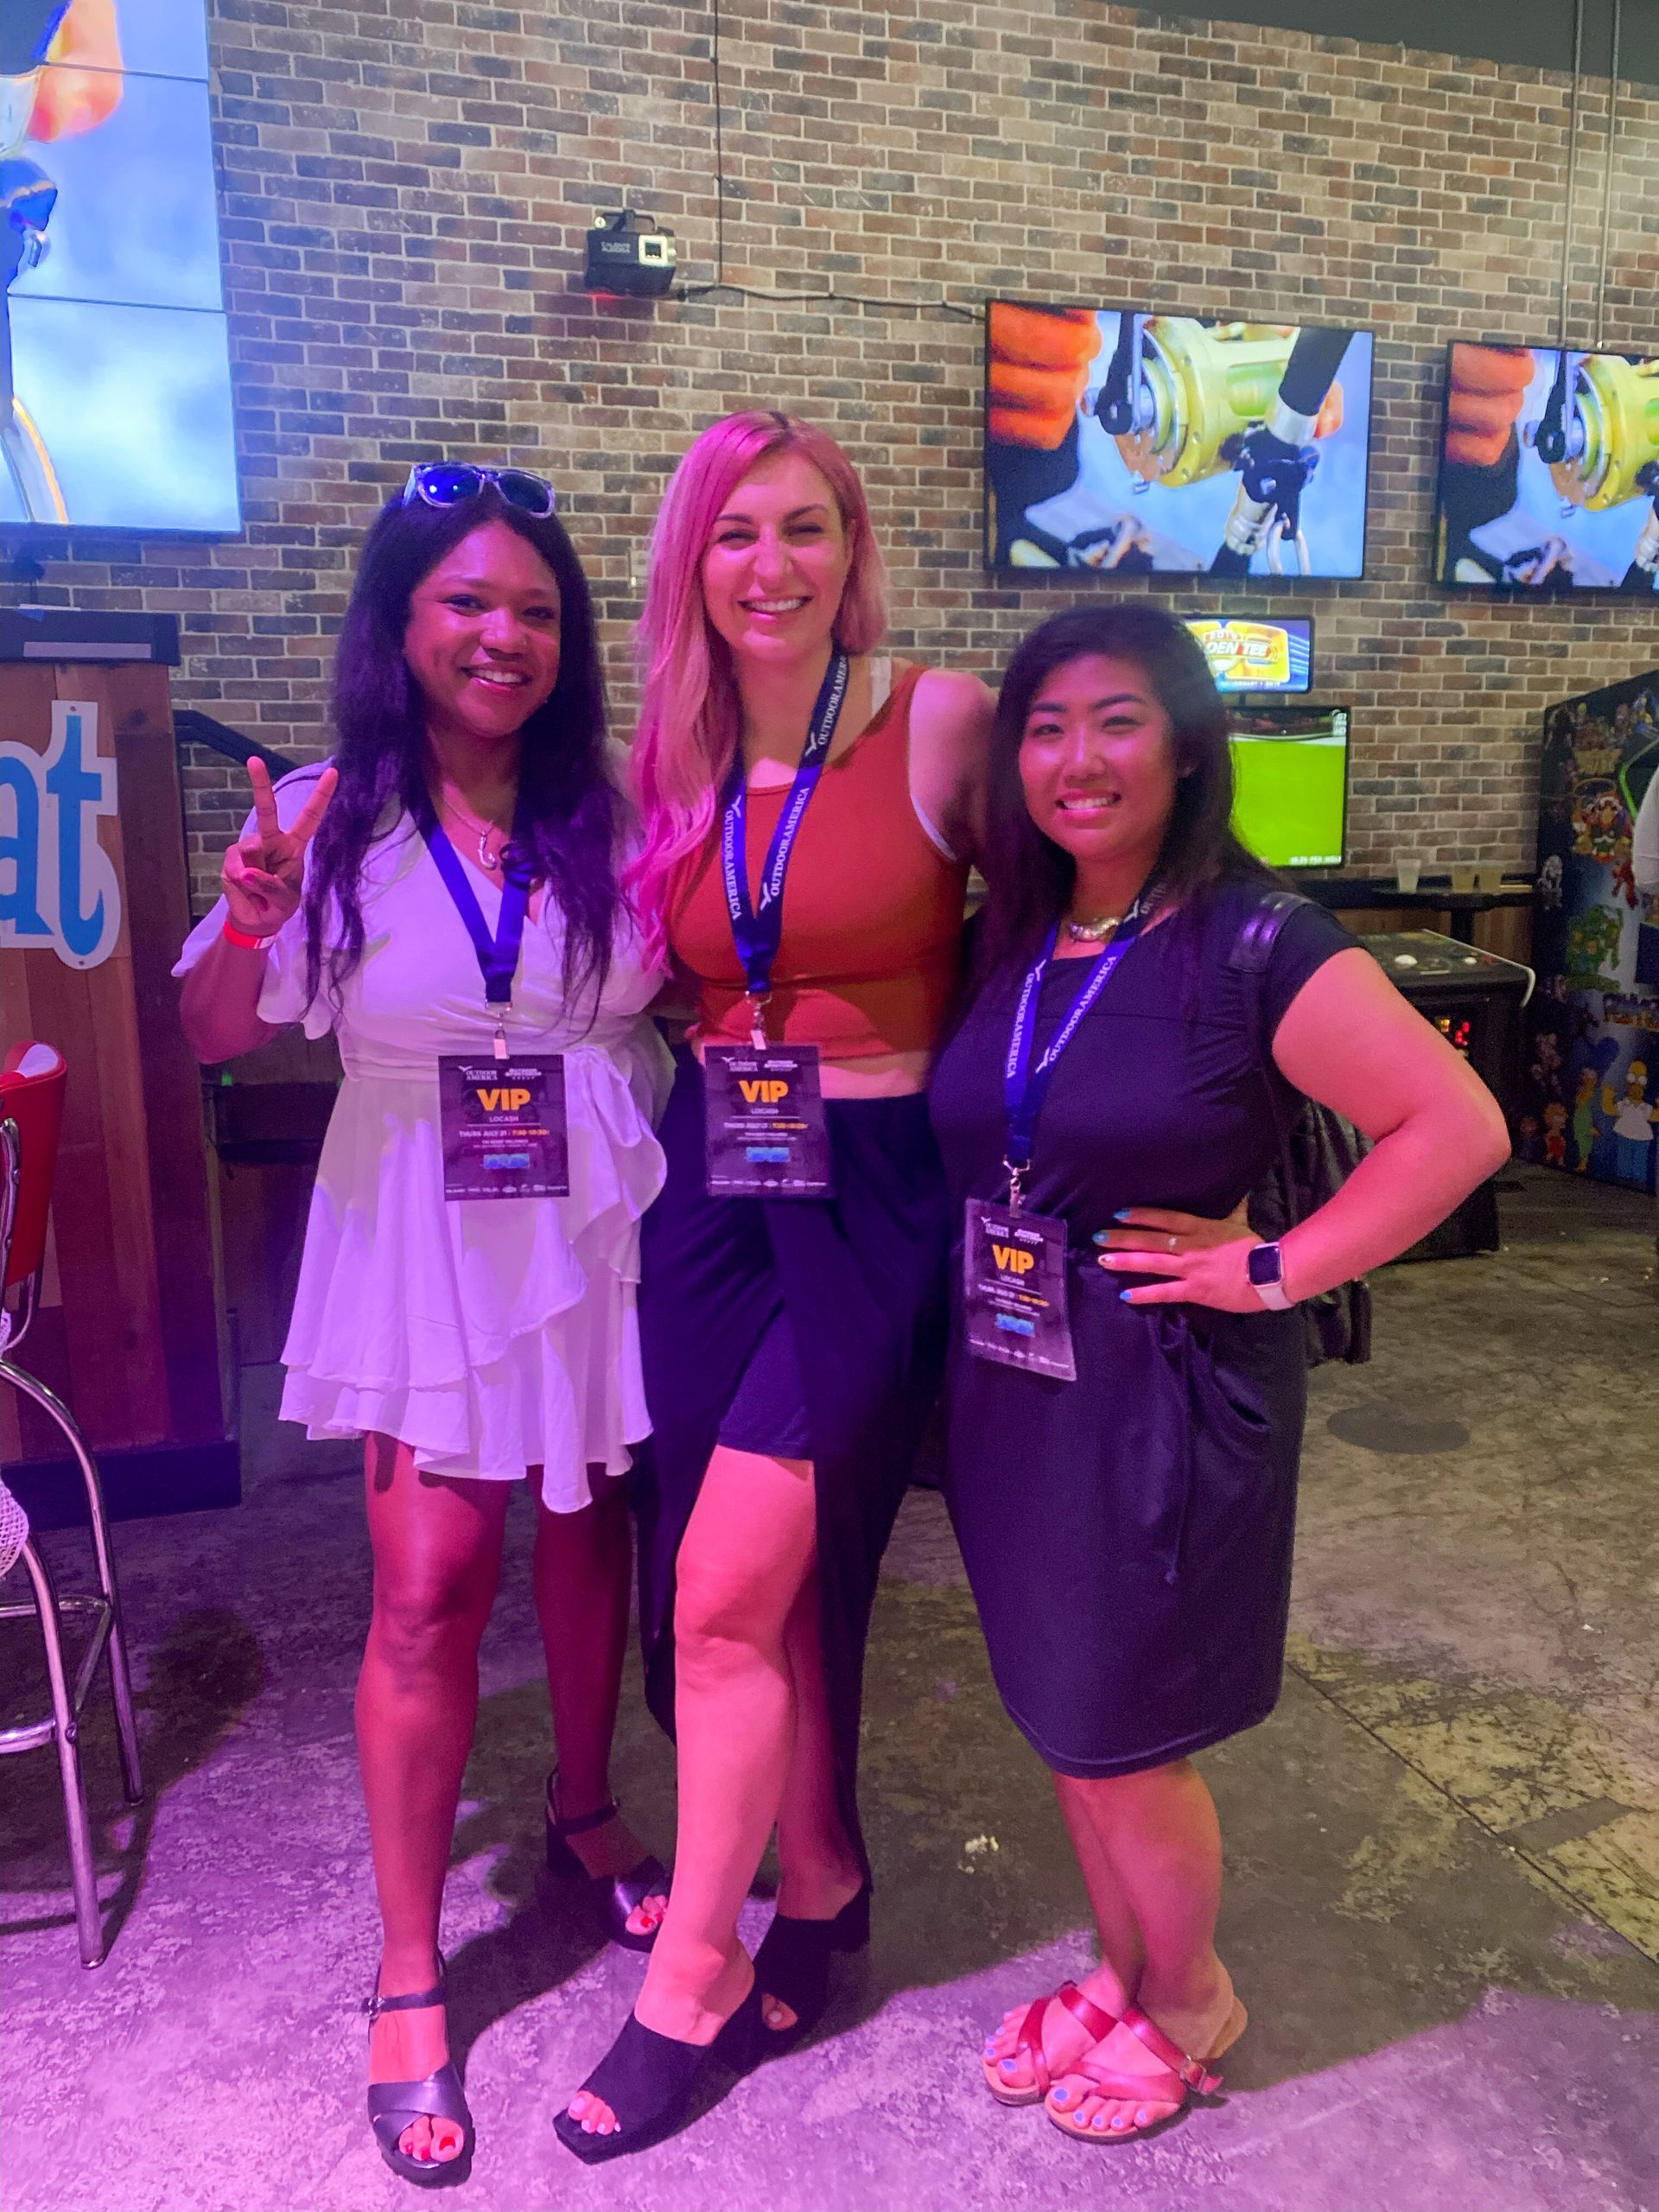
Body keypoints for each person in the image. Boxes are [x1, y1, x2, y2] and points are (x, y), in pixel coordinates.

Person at [927, 604, 1510, 2146]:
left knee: (1127, 1737)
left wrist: (1271, 1265)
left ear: (1187, 746)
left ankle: (1191, 1998)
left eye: (1115, 719)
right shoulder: (1021, 934)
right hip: (1018, 1379)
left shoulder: (1257, 940)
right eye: (1045, 727)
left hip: (1167, 1392)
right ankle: (1121, 1974)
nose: (1076, 758)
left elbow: (1458, 1131)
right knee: (1070, 1719)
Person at [176, 465, 673, 2184]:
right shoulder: (326, 810)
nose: (504, 634)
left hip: (582, 1211)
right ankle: (408, 1969)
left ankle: (587, 1802)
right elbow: (210, 1031)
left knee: (590, 1523)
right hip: (412, 1224)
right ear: (402, 622)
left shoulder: (607, 810)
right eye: (469, 601)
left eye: (537, 609)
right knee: (426, 1584)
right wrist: (249, 910)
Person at [556, 410, 994, 2159]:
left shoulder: (937, 718)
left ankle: (693, 1977)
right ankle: (820, 1878)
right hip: (714, 1193)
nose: (774, 564)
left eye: (806, 528)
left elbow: (1075, 905)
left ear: (851, 546)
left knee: (727, 1593)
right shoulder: (668, 750)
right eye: (737, 533)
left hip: (878, 1193)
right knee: (749, 1588)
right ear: (692, 561)